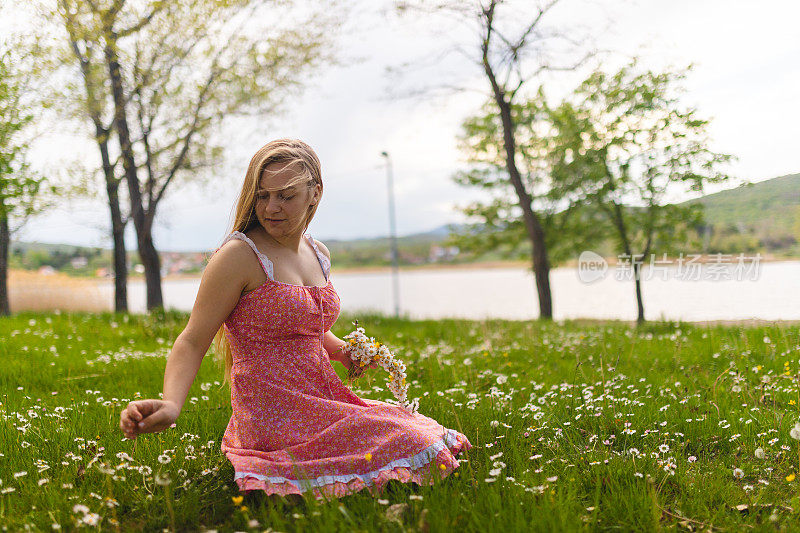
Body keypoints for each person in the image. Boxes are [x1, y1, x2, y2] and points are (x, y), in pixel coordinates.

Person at [118, 138, 472, 500]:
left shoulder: (317, 253)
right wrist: (172, 403)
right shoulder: (239, 256)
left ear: (314, 193)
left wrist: (344, 351)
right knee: (407, 439)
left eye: (285, 196)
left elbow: (307, 327)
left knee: (414, 429)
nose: (271, 207)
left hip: (322, 396)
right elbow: (192, 339)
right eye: (262, 195)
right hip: (275, 411)